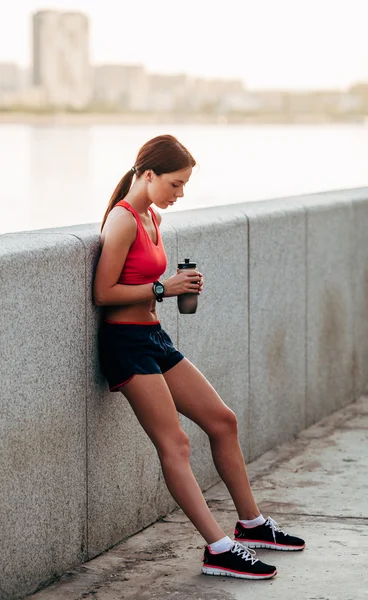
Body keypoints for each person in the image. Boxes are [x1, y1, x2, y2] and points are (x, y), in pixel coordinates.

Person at [93, 134, 305, 580]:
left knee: (222, 420)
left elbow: (145, 282)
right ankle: (219, 550)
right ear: (148, 175)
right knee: (176, 445)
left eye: (184, 185)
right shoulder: (123, 219)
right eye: (175, 184)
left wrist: (177, 286)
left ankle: (252, 525)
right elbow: (103, 292)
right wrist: (161, 288)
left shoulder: (151, 216)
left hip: (153, 337)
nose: (180, 194)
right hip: (125, 345)